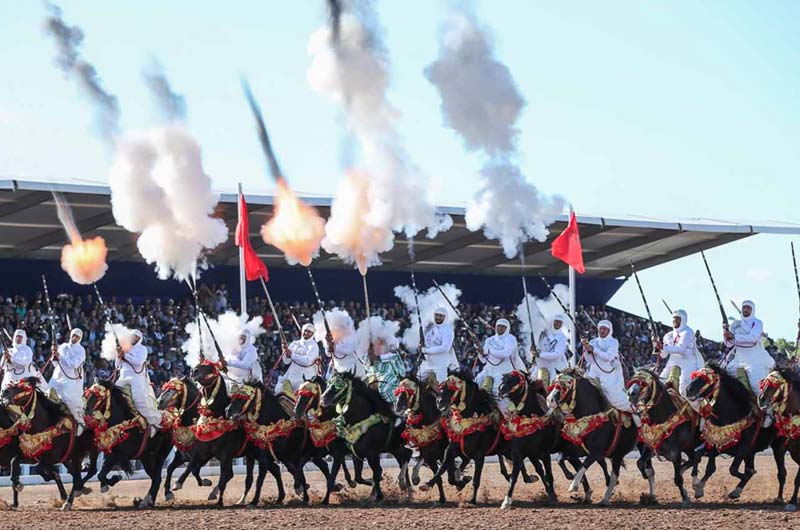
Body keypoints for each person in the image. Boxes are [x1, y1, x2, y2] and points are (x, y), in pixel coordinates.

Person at [723, 300, 775, 396]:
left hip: (754, 359)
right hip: (738, 359)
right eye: (744, 307)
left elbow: (752, 338)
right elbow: (729, 344)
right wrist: (725, 332)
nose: (746, 310)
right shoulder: (735, 325)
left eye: (748, 308)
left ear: (752, 310)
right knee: (723, 375)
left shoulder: (757, 323)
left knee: (757, 388)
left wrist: (734, 336)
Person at [116, 329, 161, 436]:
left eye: (137, 337)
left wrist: (125, 355)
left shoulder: (142, 349)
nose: (134, 338)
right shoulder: (124, 347)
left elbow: (138, 362)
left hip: (136, 378)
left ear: (139, 339)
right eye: (133, 336)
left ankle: (153, 422)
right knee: (112, 394)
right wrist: (118, 355)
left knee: (139, 399)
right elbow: (117, 366)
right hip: (123, 377)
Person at [582, 320, 631, 412]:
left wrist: (593, 349)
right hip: (593, 373)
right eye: (601, 328)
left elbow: (608, 357)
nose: (602, 331)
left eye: (605, 329)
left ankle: (632, 411)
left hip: (608, 376)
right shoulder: (593, 341)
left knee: (614, 399)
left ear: (609, 330)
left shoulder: (613, 342)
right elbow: (589, 360)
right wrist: (586, 347)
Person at [653, 310, 704, 396]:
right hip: (673, 361)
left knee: (683, 388)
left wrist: (662, 347)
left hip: (688, 361)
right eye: (674, 318)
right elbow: (663, 355)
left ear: (683, 320)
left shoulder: (687, 332)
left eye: (677, 319)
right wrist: (655, 343)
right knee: (660, 383)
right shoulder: (668, 335)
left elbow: (680, 349)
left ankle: (696, 403)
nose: (675, 321)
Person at [47, 328, 86, 434]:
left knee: (69, 400)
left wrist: (60, 356)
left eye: (77, 337)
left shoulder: (81, 350)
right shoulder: (63, 346)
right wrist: (54, 355)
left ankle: (80, 422)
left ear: (80, 338)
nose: (74, 338)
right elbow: (56, 363)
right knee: (47, 393)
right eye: (74, 335)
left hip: (71, 380)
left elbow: (73, 364)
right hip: (58, 376)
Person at [476, 319, 518, 409]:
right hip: (489, 369)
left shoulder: (511, 339)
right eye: (498, 326)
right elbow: (483, 360)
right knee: (477, 381)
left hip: (504, 371)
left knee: (498, 391)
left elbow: (506, 354)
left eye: (503, 327)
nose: (500, 328)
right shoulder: (489, 340)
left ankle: (504, 412)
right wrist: (480, 352)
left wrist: (489, 351)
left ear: (507, 328)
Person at [417, 307, 458, 386]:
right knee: (418, 381)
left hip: (440, 363)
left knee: (441, 385)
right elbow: (425, 343)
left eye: (441, 316)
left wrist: (426, 350)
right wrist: (420, 346)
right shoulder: (430, 328)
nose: (438, 317)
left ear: (445, 317)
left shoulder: (448, 330)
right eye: (436, 315)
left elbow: (445, 348)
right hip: (427, 362)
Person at [276, 323, 320, 396]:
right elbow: (286, 361)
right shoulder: (294, 343)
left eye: (309, 332)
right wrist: (284, 350)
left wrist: (292, 354)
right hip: (291, 375)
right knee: (279, 391)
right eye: (305, 331)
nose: (306, 333)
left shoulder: (314, 346)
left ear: (312, 334)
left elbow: (307, 361)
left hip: (305, 377)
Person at [322, 310, 365, 379]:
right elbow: (328, 354)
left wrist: (335, 347)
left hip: (350, 367)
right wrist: (328, 343)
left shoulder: (352, 336)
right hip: (337, 367)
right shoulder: (333, 337)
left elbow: (350, 350)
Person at [531, 314, 568, 388]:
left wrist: (540, 355)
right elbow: (538, 347)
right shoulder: (543, 333)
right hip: (540, 365)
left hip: (554, 368)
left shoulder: (562, 337)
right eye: (556, 321)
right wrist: (533, 352)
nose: (558, 324)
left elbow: (557, 354)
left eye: (560, 322)